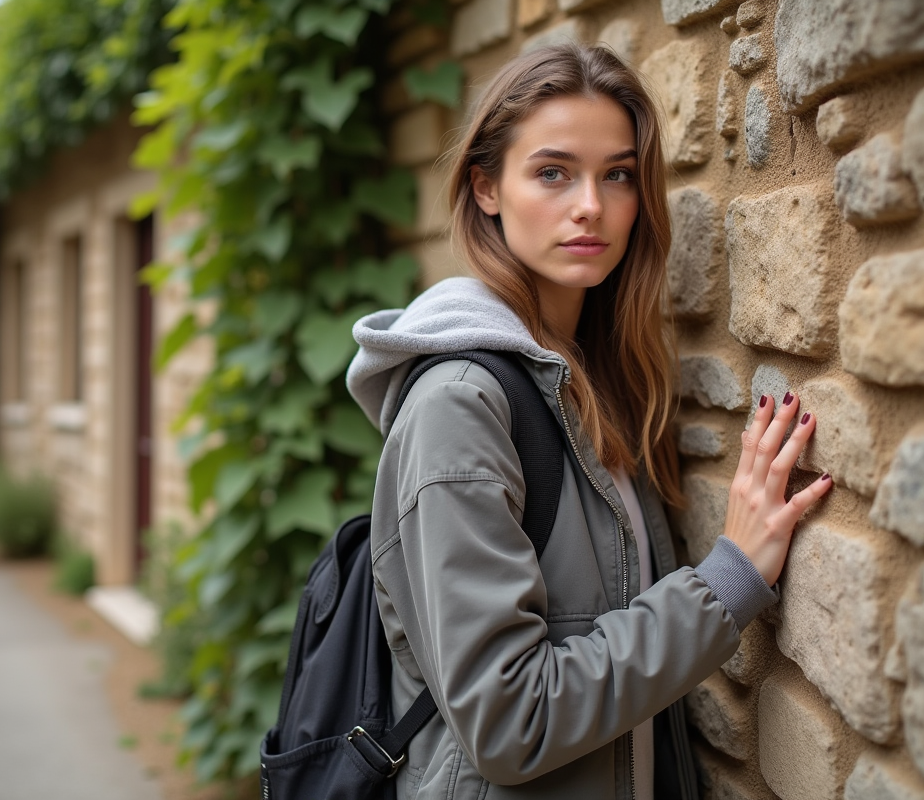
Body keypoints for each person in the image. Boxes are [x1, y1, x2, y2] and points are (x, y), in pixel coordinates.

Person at [345, 43, 833, 800]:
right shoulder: (461, 404)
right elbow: (512, 723)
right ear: (486, 188)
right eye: (552, 172)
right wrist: (727, 579)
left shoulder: (597, 382)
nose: (590, 206)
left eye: (618, 175)